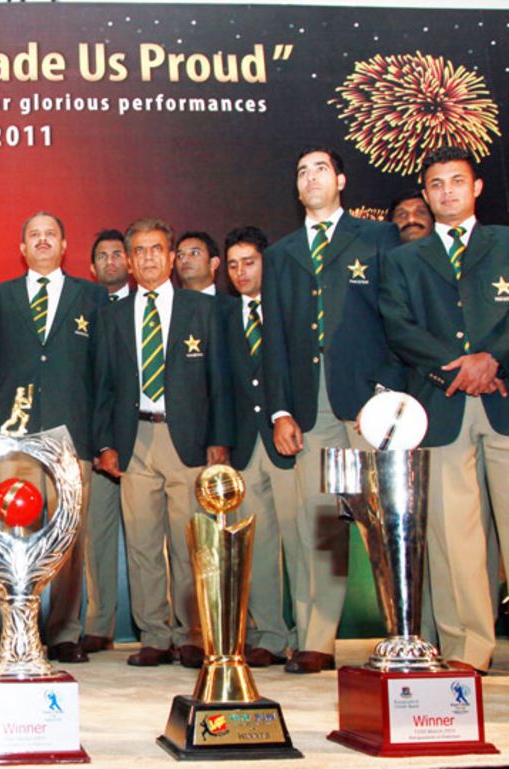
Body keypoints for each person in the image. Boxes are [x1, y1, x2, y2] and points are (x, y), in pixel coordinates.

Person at [380, 146, 509, 681]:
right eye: (436, 184)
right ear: (425, 194)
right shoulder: (401, 260)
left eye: (456, 181)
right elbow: (399, 328)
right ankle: (468, 645)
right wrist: (455, 369)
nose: (446, 191)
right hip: (441, 407)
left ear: (477, 187)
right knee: (452, 535)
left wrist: (493, 360)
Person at [262, 146, 403, 673]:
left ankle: (410, 631)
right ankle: (316, 637)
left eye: (320, 168)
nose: (311, 177)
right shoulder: (281, 255)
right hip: (308, 402)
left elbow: (397, 317)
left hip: (373, 398)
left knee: (390, 520)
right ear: (296, 189)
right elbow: (273, 339)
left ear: (341, 179)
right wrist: (280, 411)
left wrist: (391, 391)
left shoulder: (378, 237)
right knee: (317, 523)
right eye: (301, 172)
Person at [93, 217, 231, 669]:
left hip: (187, 438)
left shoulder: (203, 309)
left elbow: (220, 382)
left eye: (157, 249)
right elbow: (105, 385)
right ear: (129, 262)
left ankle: (193, 633)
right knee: (143, 542)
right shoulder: (113, 315)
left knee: (191, 541)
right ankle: (154, 634)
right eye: (139, 251)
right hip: (134, 437)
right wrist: (105, 443)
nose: (148, 257)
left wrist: (219, 438)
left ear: (172, 258)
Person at [0, 211, 105, 664]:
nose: (43, 241)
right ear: (22, 248)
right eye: (34, 235)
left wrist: (99, 435)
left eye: (51, 234)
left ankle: (66, 630)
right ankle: (17, 625)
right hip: (15, 437)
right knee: (17, 534)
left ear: (65, 244)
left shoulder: (91, 297)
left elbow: (103, 372)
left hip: (72, 435)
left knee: (68, 538)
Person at [218, 226, 299, 667]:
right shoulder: (224, 316)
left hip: (289, 442)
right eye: (232, 265)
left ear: (266, 263)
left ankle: (309, 638)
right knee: (258, 547)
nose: (240, 272)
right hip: (246, 448)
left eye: (249, 262)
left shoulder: (289, 308)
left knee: (302, 542)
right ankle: (268, 634)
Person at [81, 229, 129, 654]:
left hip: (149, 436)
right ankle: (99, 624)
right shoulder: (86, 308)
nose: (110, 261)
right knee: (97, 534)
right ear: (91, 267)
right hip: (98, 439)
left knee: (159, 538)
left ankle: (173, 629)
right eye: (102, 256)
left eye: (118, 254)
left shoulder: (149, 306)